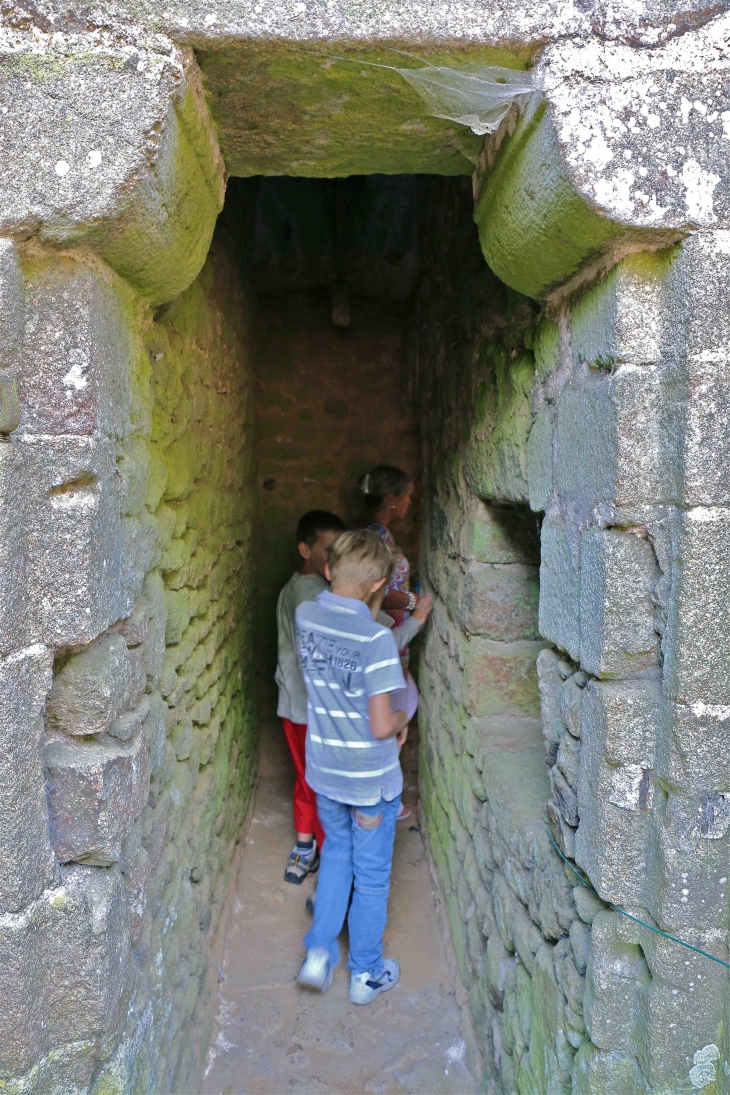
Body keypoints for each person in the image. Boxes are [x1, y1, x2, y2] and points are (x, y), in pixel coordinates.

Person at [296, 530, 407, 1004]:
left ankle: (318, 954)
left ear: (327, 570)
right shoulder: (376, 639)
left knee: (337, 857)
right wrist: (403, 720)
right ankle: (365, 974)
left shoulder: (305, 616)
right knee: (373, 873)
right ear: (378, 583)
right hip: (370, 782)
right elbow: (381, 724)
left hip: (325, 772)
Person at [275, 510, 346, 884]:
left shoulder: (297, 586)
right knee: (321, 781)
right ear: (305, 550)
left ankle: (305, 849)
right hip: (310, 710)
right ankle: (327, 853)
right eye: (328, 551)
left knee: (306, 777)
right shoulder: (314, 596)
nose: (336, 561)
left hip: (294, 705)